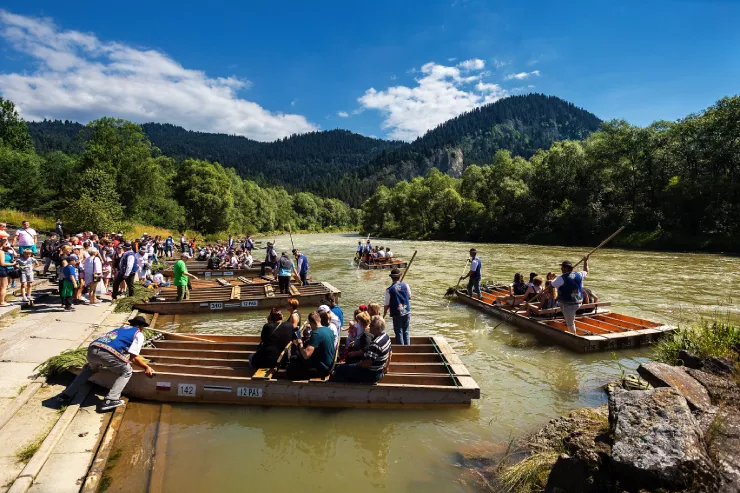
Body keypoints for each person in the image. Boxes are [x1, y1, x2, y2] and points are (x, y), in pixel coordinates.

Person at [55, 315, 155, 411]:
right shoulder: (139, 334)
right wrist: (146, 367)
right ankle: (111, 400)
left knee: (89, 369)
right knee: (127, 371)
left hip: (92, 349)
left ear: (132, 324)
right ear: (141, 327)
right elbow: (133, 358)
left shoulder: (120, 329)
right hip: (108, 353)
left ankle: (66, 395)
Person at [333, 315, 392, 383]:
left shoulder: (375, 344)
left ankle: (337, 389)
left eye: (371, 325)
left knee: (340, 369)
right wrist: (386, 367)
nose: (369, 326)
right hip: (378, 371)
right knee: (348, 366)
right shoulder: (386, 336)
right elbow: (390, 354)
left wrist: (356, 365)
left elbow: (367, 363)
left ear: (377, 328)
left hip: (371, 374)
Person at [287, 311, 336, 380]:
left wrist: (300, 343)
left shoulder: (316, 334)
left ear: (311, 322)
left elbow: (306, 355)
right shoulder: (328, 330)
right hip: (329, 365)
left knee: (290, 369)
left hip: (322, 369)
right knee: (295, 358)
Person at [552, 257, 590, 333]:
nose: (561, 268)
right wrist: (586, 261)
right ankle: (568, 318)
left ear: (566, 268)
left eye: (562, 267)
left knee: (570, 324)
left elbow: (552, 285)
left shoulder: (561, 278)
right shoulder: (579, 274)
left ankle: (573, 336)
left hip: (568, 304)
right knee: (564, 308)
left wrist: (553, 280)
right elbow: (586, 270)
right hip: (578, 301)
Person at [383, 268, 411, 345]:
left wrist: (384, 313)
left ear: (391, 278)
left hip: (396, 313)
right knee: (406, 331)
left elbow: (386, 304)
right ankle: (407, 348)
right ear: (399, 277)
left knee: (399, 332)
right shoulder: (406, 285)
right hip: (406, 311)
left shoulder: (389, 290)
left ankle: (401, 349)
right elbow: (409, 296)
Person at [0, 239, 12, 307]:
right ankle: (2, 302)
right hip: (1, 270)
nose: (7, 245)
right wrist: (12, 264)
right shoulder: (1, 252)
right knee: (3, 286)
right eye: (6, 243)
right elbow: (2, 263)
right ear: (2, 244)